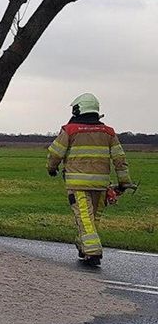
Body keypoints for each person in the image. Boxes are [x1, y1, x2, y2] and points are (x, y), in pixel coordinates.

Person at [47, 93, 133, 267]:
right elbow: (119, 159)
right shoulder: (108, 132)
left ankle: (93, 252)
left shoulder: (70, 130)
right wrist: (124, 182)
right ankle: (84, 246)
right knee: (93, 219)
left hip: (78, 185)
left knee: (85, 218)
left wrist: (52, 168)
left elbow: (55, 153)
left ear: (79, 109)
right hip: (101, 185)